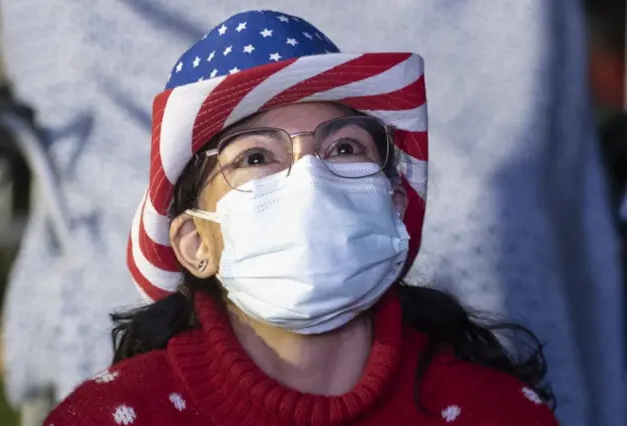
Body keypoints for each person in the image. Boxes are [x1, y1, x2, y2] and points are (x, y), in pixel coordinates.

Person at [42, 10, 558, 426]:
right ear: (196, 241)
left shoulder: (498, 414)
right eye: (255, 157)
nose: (311, 178)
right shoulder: (110, 418)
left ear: (394, 207)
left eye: (344, 147)